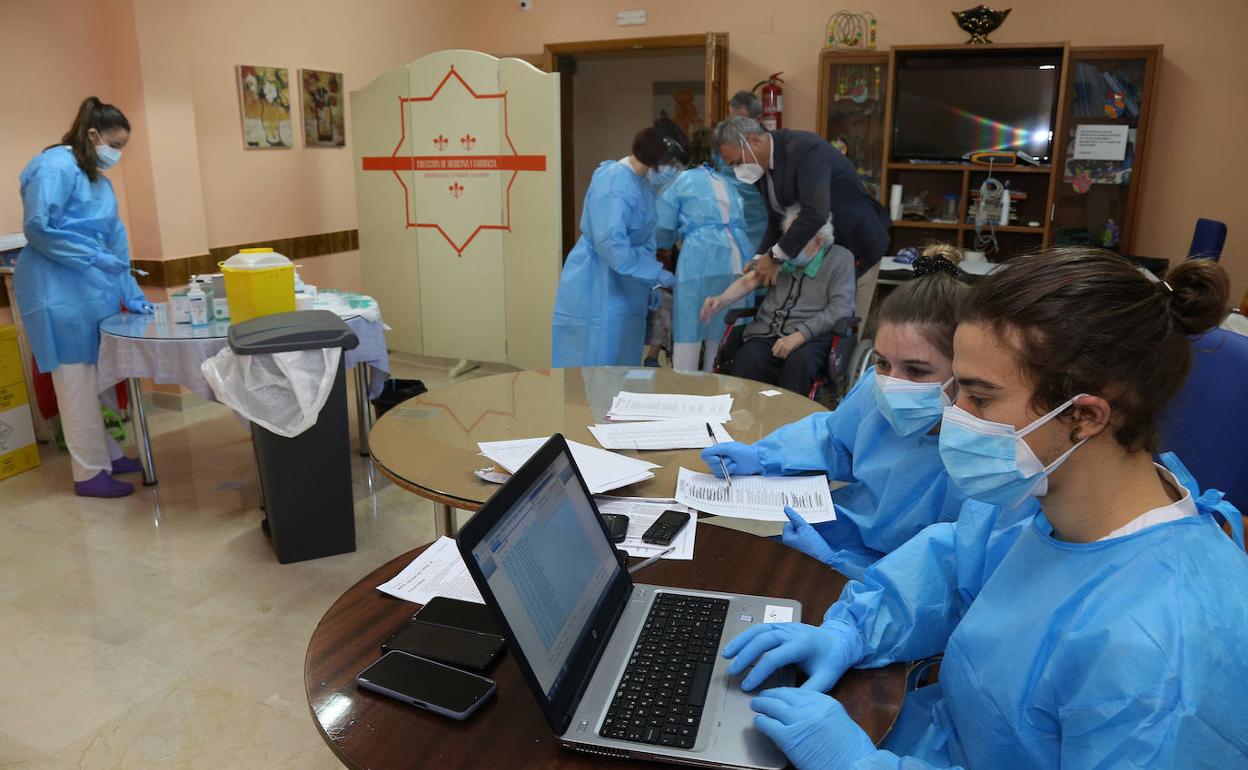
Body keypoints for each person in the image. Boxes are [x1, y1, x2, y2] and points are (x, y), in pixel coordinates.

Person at [721, 249, 1248, 768]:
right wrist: (849, 632)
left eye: (977, 396)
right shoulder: (1043, 496)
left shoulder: (1166, 659)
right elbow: (951, 565)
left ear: (1085, 416)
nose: (951, 415)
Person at [701, 245, 970, 579]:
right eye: (883, 362)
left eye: (916, 370)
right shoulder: (877, 387)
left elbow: (940, 579)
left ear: (965, 370)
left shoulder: (974, 459)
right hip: (843, 534)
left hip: (892, 578)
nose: (891, 383)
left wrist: (840, 565)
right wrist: (762, 458)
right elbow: (834, 437)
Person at [14, 97, 151, 499]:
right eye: (116, 144)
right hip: (57, 292)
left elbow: (116, 239)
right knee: (75, 383)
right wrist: (92, 257)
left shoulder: (97, 179)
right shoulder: (53, 166)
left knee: (100, 379)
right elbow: (38, 227)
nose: (118, 153)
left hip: (93, 293)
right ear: (92, 134)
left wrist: (130, 289)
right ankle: (89, 473)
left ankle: (108, 453)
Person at [713, 116, 890, 323]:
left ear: (753, 141)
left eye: (737, 163)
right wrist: (759, 257)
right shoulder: (761, 166)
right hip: (815, 253)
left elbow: (815, 213)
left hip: (855, 243)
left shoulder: (805, 150)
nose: (737, 171)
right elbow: (775, 220)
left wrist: (774, 257)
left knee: (845, 327)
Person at [551, 124, 685, 367]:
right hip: (599, 282)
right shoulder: (614, 183)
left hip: (626, 285)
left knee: (623, 361)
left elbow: (645, 238)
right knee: (598, 362)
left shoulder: (642, 183)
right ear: (655, 159)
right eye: (672, 164)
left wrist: (650, 281)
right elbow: (611, 245)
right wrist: (655, 273)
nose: (673, 171)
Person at [701, 206, 854, 396]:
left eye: (795, 240)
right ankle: (742, 416)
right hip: (768, 332)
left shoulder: (840, 259)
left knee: (799, 364)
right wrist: (721, 299)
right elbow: (752, 279)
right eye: (786, 237)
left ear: (818, 242)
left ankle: (789, 420)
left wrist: (799, 336)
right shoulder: (780, 252)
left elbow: (841, 308)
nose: (787, 246)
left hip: (812, 338)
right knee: (748, 358)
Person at [654, 130, 754, 372]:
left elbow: (663, 229)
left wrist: (665, 248)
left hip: (699, 261)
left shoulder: (681, 181)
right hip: (739, 261)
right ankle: (718, 392)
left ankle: (684, 390)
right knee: (723, 333)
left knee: (689, 329)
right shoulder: (729, 184)